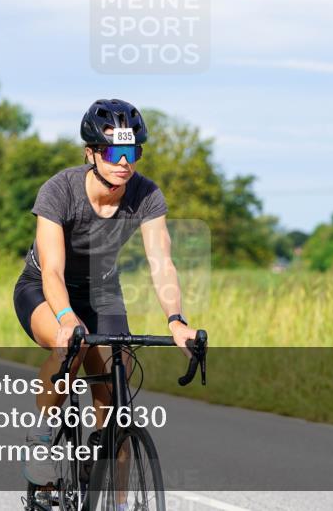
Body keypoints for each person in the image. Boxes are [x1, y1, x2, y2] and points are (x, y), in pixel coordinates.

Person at [13, 98, 197, 499]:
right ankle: (42, 437)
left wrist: (177, 321)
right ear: (91, 152)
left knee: (117, 407)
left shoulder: (146, 195)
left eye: (132, 152)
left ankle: (113, 493)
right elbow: (53, 270)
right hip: (43, 288)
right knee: (70, 350)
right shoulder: (59, 190)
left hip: (102, 291)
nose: (124, 162)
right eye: (114, 151)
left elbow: (161, 262)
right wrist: (65, 317)